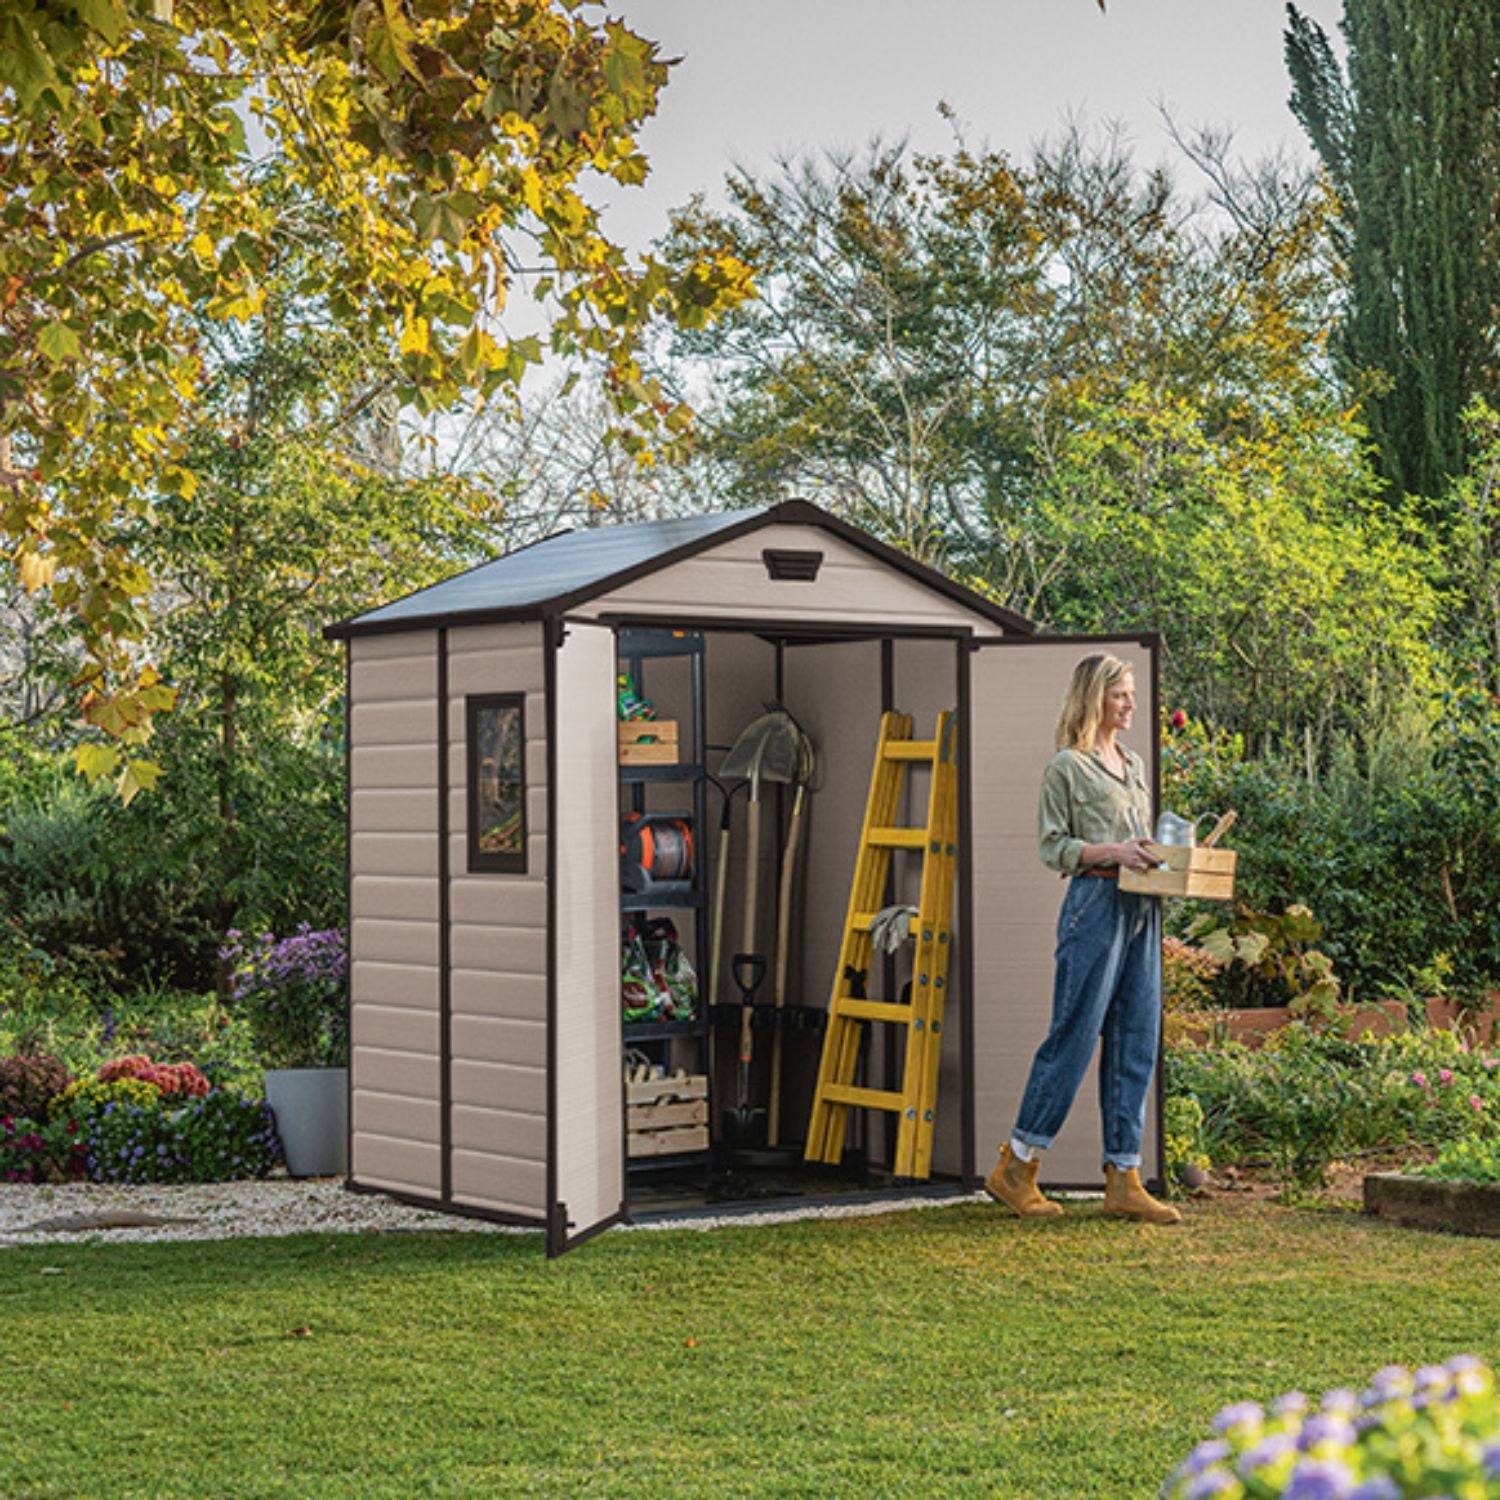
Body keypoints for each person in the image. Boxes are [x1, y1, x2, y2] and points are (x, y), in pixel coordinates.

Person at [984, 653, 1181, 1225]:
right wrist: (1113, 853)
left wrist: (1153, 855)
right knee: (1073, 1035)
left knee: (1136, 1037)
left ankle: (1124, 1177)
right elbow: (1054, 848)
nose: (1130, 704)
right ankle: (1016, 1167)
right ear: (1094, 697)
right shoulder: (1066, 768)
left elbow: (1133, 836)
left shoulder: (1134, 763)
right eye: (1121, 694)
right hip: (1093, 905)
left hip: (1142, 906)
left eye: (1131, 694)